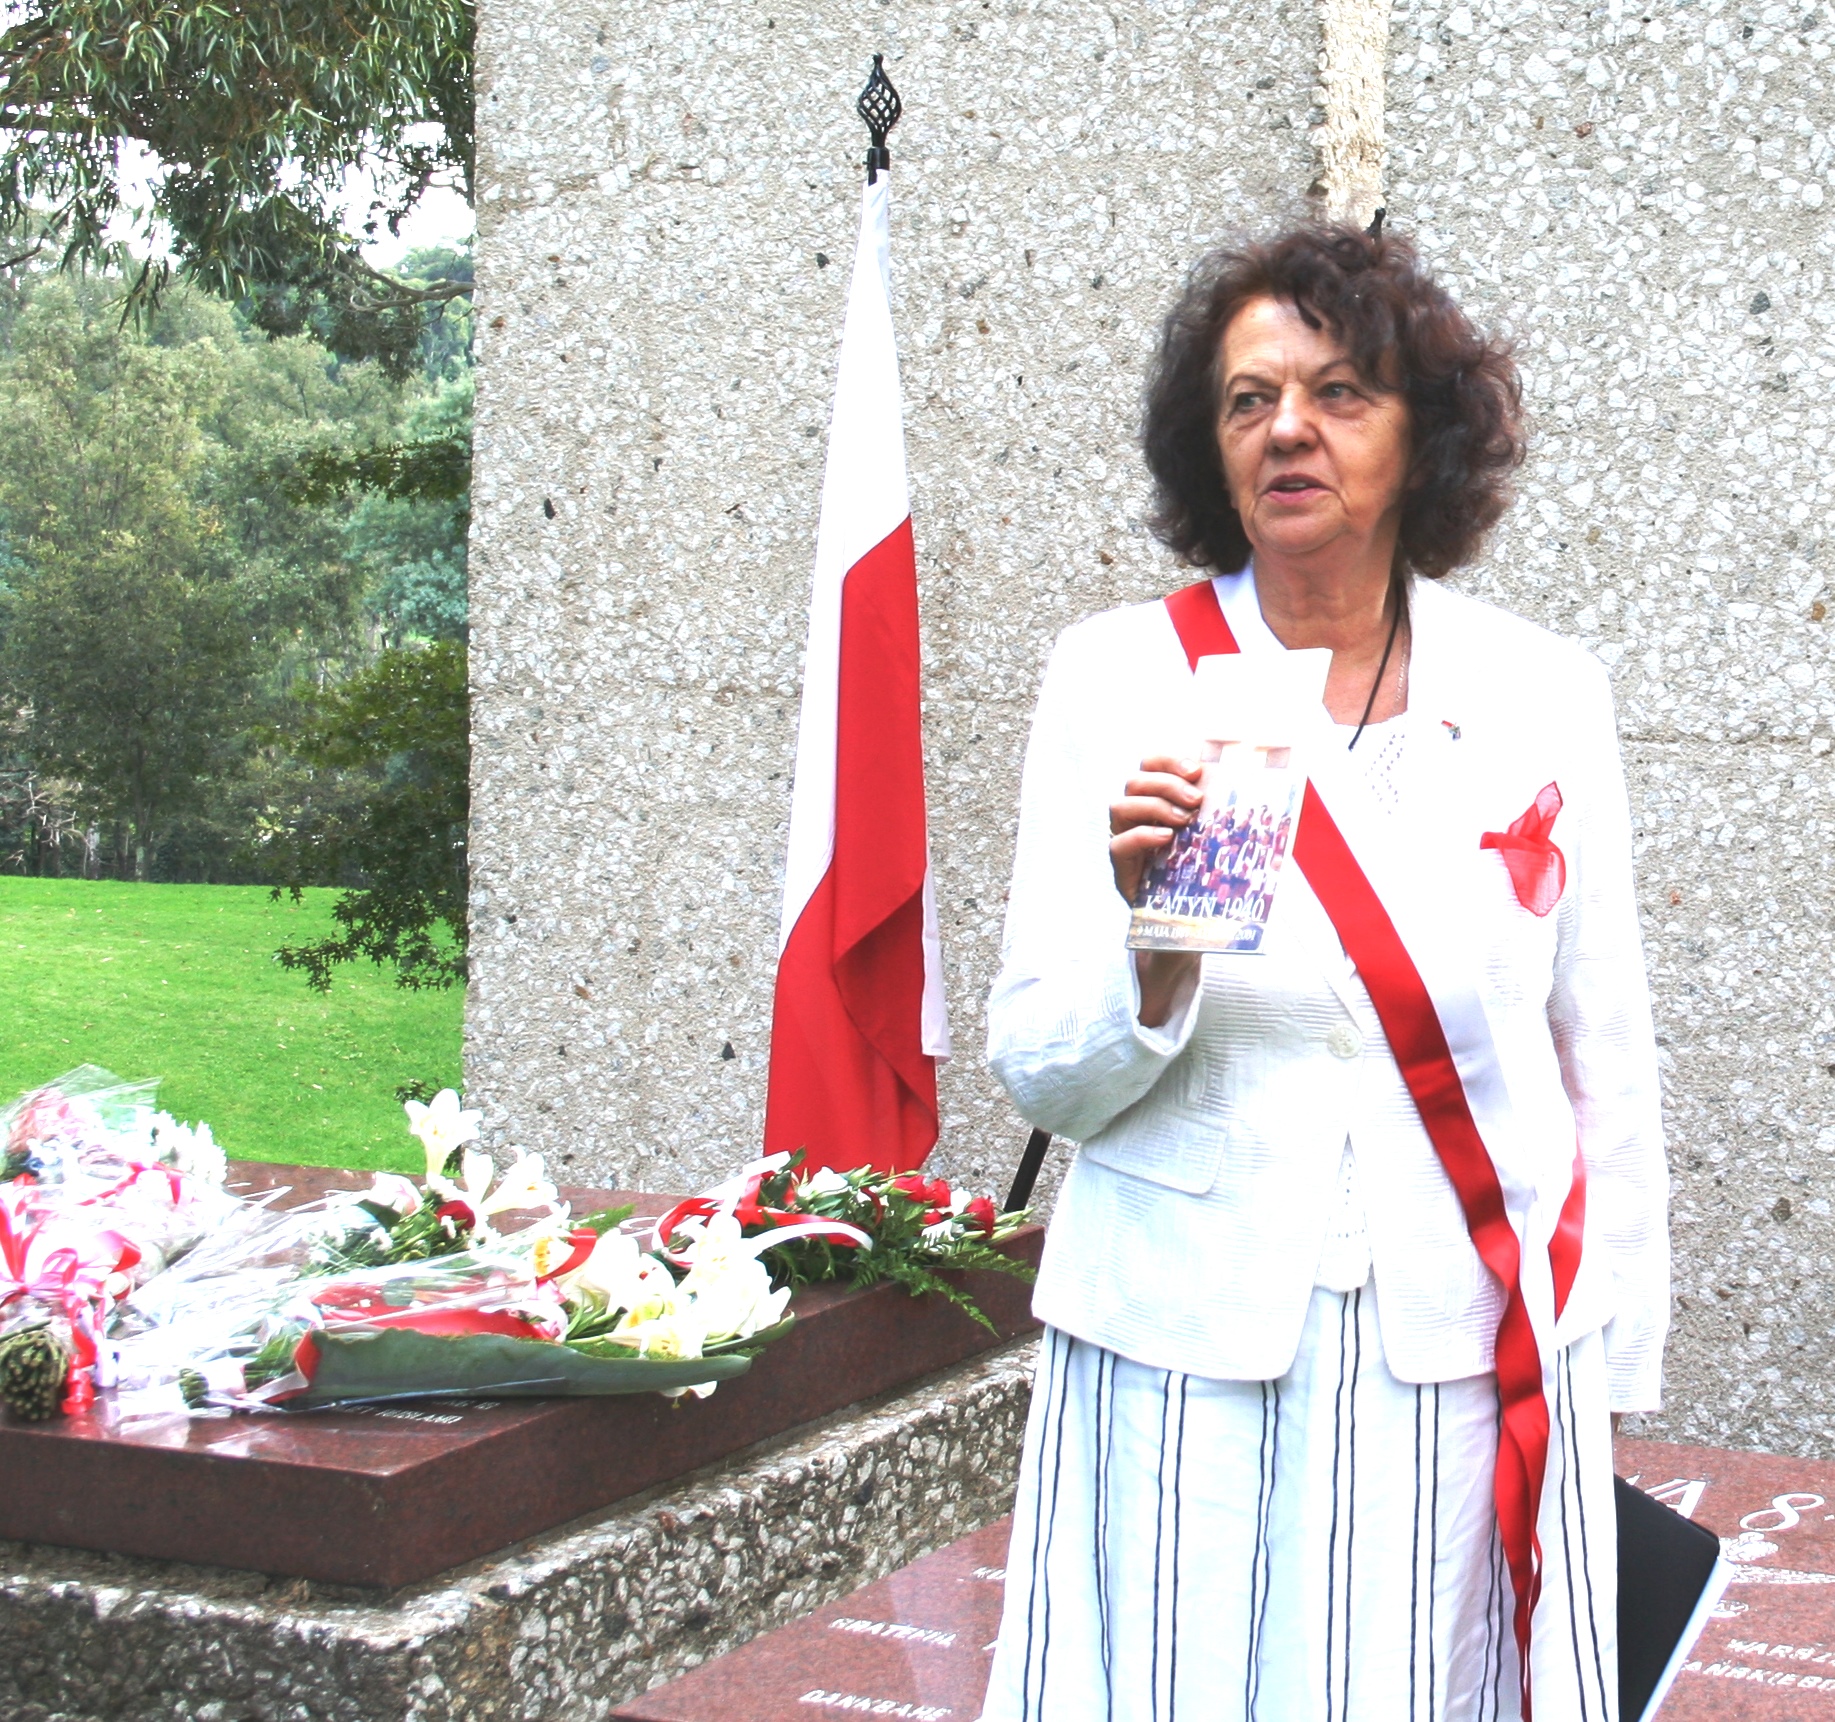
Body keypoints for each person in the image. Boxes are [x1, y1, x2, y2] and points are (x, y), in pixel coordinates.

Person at [980, 224, 1668, 1721]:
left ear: (1424, 436)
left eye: (1340, 391)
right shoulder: (1116, 676)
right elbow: (1038, 1065)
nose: (1288, 427)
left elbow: (1600, 1049)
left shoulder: (1543, 691)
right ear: (1210, 446)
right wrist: (1155, 945)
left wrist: (1613, 1365)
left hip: (1468, 1341)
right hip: (1184, 1346)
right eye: (1249, 399)